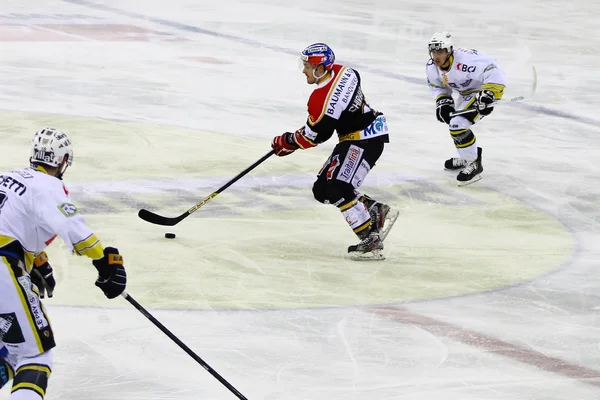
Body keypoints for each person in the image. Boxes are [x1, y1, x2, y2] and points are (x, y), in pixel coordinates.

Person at [0, 127, 127, 399]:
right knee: (34, 356)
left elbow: (12, 223)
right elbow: (79, 236)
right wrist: (106, 262)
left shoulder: (6, 177)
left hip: (8, 261)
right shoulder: (47, 186)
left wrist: (38, 260)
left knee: (10, 348)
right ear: (62, 161)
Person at [271, 43, 399, 260]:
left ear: (320, 69)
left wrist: (288, 141)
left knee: (337, 189)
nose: (304, 70)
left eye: (308, 66)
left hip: (364, 140)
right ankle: (374, 210)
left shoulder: (320, 99)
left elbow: (317, 135)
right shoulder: (345, 71)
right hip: (361, 137)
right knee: (322, 189)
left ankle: (369, 237)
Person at [426, 31, 507, 185]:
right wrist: (443, 101)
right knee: (454, 124)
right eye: (433, 51)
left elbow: (494, 68)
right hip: (468, 93)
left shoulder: (465, 62)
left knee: (458, 124)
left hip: (486, 88)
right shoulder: (432, 67)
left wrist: (489, 93)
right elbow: (437, 86)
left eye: (440, 51)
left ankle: (474, 162)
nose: (436, 55)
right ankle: (467, 156)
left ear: (449, 50)